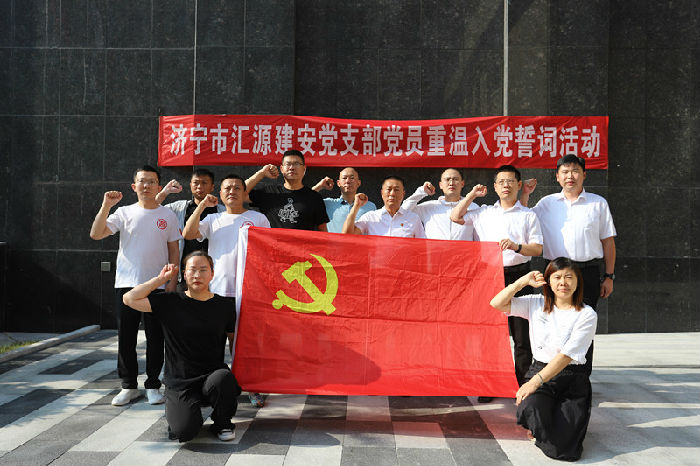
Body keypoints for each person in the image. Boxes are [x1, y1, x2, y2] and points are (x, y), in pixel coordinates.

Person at [122, 252, 242, 442]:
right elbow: (129, 299)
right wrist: (160, 280)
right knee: (184, 432)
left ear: (212, 274)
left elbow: (234, 341)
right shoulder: (170, 302)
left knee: (224, 378)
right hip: (180, 382)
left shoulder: (224, 306)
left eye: (203, 270)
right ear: (184, 274)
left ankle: (223, 423)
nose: (197, 275)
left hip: (212, 378)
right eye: (192, 270)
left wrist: (240, 371)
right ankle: (185, 414)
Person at [489, 257, 597, 461]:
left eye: (569, 277)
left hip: (572, 379)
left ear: (577, 282)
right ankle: (543, 423)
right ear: (548, 280)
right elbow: (496, 303)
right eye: (557, 277)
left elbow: (565, 356)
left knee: (566, 451)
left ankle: (556, 425)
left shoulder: (586, 314)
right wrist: (522, 282)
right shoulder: (536, 303)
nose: (563, 282)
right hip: (540, 369)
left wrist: (533, 383)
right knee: (530, 407)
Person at [89, 165, 180, 406]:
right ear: (134, 186)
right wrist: (106, 206)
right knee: (126, 337)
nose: (146, 185)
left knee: (155, 337)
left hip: (157, 285)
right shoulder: (124, 212)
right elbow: (96, 234)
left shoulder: (168, 215)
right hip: (127, 284)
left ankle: (153, 385)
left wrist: (171, 282)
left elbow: (174, 250)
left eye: (152, 181)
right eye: (142, 181)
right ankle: (128, 385)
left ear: (159, 187)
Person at [451, 165, 543, 402]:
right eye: (501, 181)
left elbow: (537, 248)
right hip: (489, 277)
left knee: (522, 335)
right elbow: (455, 216)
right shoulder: (483, 212)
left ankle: (521, 384)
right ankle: (489, 384)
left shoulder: (528, 215)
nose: (506, 185)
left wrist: (516, 247)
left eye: (510, 181)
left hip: (520, 276)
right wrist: (472, 195)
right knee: (489, 334)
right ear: (494, 186)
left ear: (519, 185)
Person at [521, 154, 616, 373]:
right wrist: (525, 194)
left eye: (575, 171)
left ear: (584, 175)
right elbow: (524, 218)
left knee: (584, 325)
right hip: (555, 272)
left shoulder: (598, 203)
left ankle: (581, 377)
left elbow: (608, 242)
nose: (569, 176)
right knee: (554, 322)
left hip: (587, 272)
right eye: (564, 172)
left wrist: (609, 276)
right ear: (557, 176)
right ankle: (553, 374)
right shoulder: (547, 203)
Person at [182, 174, 270, 302]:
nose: (232, 192)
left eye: (237, 188)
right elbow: (188, 234)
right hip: (218, 288)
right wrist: (202, 206)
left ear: (245, 193)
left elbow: (268, 251)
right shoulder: (212, 219)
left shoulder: (259, 219)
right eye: (227, 188)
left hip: (251, 288)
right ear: (221, 194)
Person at [156, 169, 225, 286]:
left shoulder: (223, 211)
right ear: (190, 185)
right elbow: (151, 209)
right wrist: (164, 192)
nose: (199, 187)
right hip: (185, 274)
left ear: (212, 187)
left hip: (216, 275)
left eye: (204, 183)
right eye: (196, 183)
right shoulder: (179, 208)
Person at [245, 150, 329, 231]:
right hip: (271, 241)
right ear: (281, 169)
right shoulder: (268, 192)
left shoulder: (314, 198)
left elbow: (322, 231)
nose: (291, 168)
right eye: (288, 164)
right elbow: (240, 194)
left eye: (296, 164)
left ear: (304, 169)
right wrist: (261, 173)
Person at [401, 168, 479, 240]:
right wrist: (421, 192)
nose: (451, 183)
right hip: (434, 251)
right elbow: (403, 212)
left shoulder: (473, 207)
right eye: (447, 179)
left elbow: (479, 236)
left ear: (462, 183)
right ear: (440, 185)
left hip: (464, 251)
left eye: (455, 179)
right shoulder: (428, 207)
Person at [342, 175, 425, 238]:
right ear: (382, 193)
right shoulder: (370, 217)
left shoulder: (413, 218)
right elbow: (347, 235)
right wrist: (356, 206)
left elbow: (422, 246)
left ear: (403, 194)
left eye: (396, 190)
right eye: (389, 189)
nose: (392, 193)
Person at [312, 167, 377, 233]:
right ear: (338, 183)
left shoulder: (370, 206)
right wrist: (319, 186)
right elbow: (307, 200)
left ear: (358, 183)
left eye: (352, 178)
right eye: (344, 178)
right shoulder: (327, 204)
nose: (348, 181)